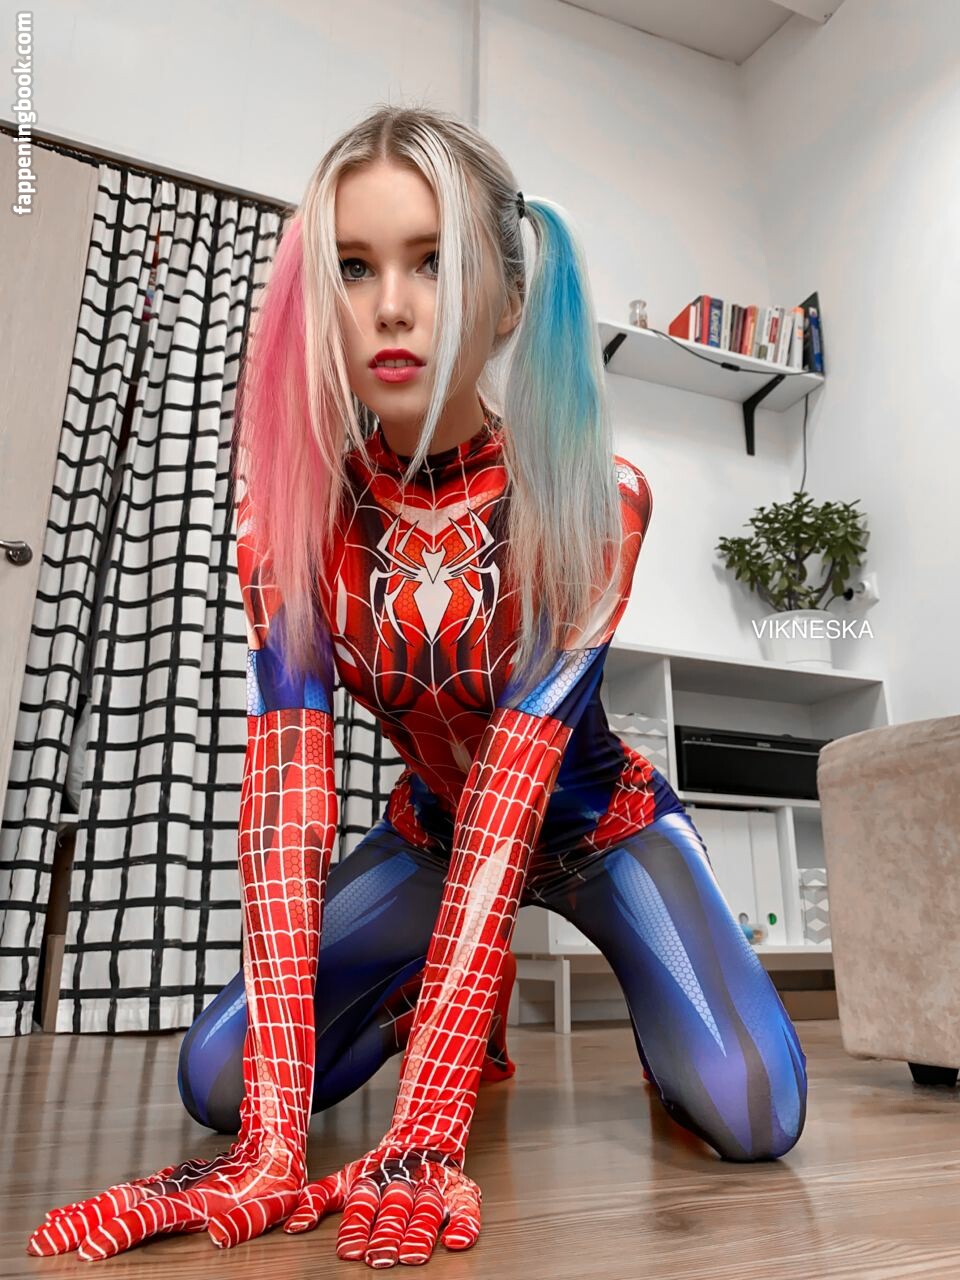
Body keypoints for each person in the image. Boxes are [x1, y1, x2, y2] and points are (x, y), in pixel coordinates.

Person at [27, 104, 807, 1270]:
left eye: (433, 261)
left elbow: (516, 791)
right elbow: (286, 801)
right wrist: (272, 1145)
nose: (390, 305)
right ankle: (425, 1008)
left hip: (603, 829)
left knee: (752, 1111)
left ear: (508, 300)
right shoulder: (291, 516)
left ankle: (638, 1013)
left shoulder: (596, 498)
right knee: (221, 1080)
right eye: (353, 266)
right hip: (435, 833)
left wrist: (423, 1131)